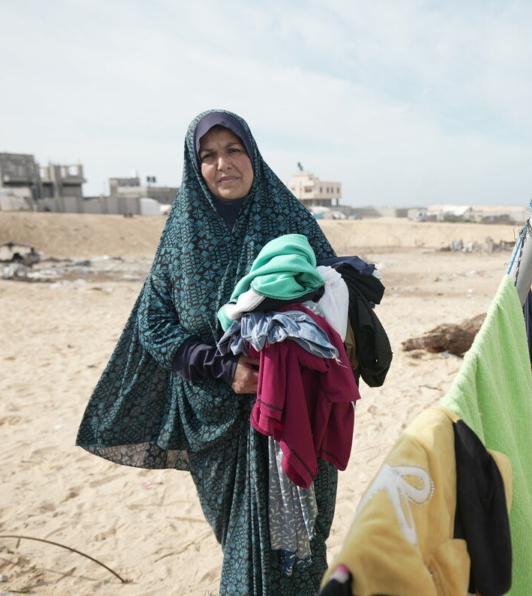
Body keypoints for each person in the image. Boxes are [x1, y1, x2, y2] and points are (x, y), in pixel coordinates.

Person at [76, 109, 339, 595]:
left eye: (234, 150)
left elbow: (336, 297)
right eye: (209, 155)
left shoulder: (289, 219)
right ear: (195, 167)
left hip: (293, 418)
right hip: (213, 421)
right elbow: (153, 323)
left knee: (298, 554)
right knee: (242, 544)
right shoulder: (181, 235)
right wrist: (224, 368)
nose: (223, 164)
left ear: (253, 155)